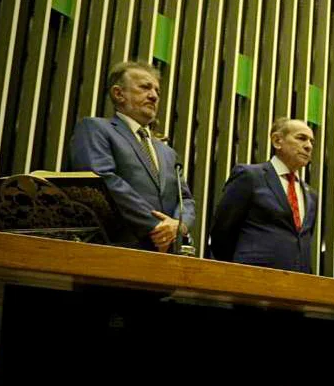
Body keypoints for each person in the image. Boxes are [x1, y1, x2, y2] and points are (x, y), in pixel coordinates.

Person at [69, 61, 195, 252]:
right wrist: (156, 226)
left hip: (166, 254)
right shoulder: (96, 129)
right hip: (113, 250)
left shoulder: (168, 152)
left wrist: (178, 225)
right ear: (118, 94)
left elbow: (185, 199)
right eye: (145, 87)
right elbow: (101, 180)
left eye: (157, 91)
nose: (153, 96)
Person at [209, 118, 318, 273]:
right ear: (277, 141)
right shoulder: (250, 177)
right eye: (301, 138)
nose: (308, 146)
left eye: (311, 141)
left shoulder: (311, 195)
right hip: (250, 281)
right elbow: (222, 232)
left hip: (298, 285)